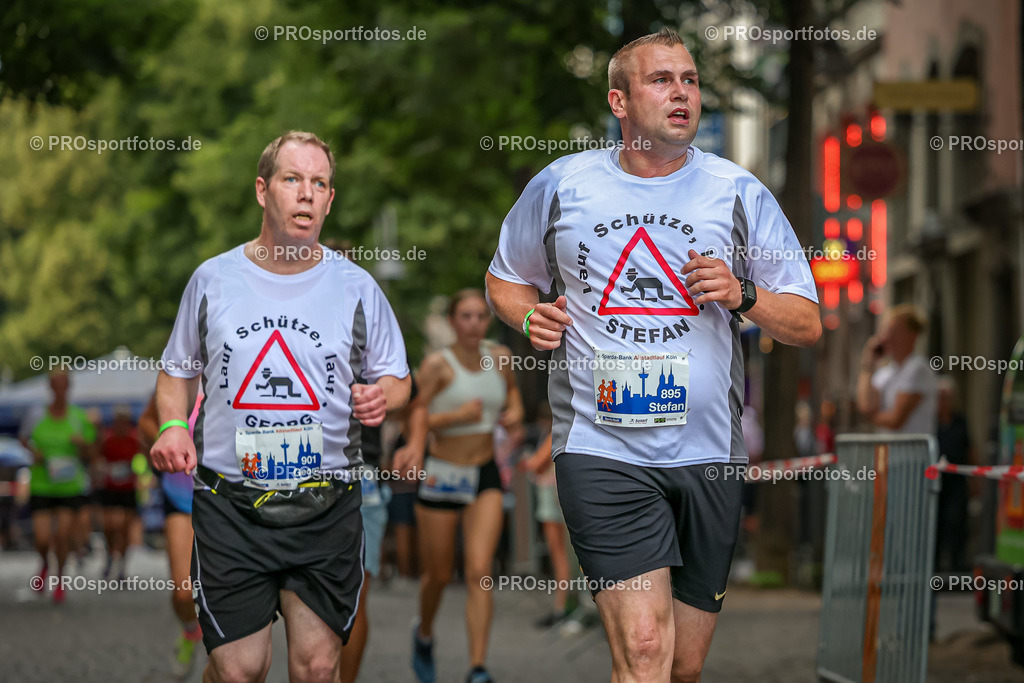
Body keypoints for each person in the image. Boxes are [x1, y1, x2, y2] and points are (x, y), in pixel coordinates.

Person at [485, 28, 821, 682]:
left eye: (690, 80)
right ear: (619, 100)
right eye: (662, 80)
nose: (682, 93)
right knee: (644, 649)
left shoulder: (737, 192)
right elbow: (503, 277)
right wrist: (528, 313)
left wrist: (742, 292)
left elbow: (807, 321)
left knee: (683, 666)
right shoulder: (562, 186)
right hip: (602, 449)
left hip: (709, 454)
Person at [149, 131, 411, 683]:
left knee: (317, 666)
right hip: (230, 504)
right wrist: (174, 426)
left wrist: (379, 394)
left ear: (331, 199)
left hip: (326, 503)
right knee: (241, 668)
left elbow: (397, 378)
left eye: (320, 183)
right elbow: (177, 372)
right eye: (293, 179)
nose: (307, 194)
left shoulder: (357, 288)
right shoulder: (213, 281)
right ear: (263, 190)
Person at [404, 289, 523, 683]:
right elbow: (414, 417)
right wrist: (455, 415)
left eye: (480, 316)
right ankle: (424, 633)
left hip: (484, 473)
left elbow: (513, 399)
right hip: (442, 472)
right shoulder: (438, 364)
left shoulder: (501, 358)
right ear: (454, 321)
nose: (474, 323)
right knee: (437, 575)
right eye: (466, 316)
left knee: (478, 570)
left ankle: (477, 667)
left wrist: (513, 415)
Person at [140, 392, 205, 677]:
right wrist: (169, 441)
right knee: (183, 593)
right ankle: (191, 632)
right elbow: (145, 421)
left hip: (232, 498)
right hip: (181, 496)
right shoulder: (178, 374)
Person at [19, 371, 98, 604]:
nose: (60, 389)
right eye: (56, 385)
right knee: (43, 538)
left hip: (69, 486)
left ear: (69, 387)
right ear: (50, 388)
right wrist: (34, 452)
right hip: (42, 484)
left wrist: (83, 445)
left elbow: (92, 452)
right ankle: (44, 563)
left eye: (64, 385)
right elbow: (24, 438)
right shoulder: (36, 413)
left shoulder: (79, 417)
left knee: (63, 535)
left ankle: (61, 578)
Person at [518, 425, 573, 628]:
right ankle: (565, 605)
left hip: (554, 495)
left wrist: (529, 462)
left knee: (561, 553)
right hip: (557, 493)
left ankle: (564, 606)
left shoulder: (559, 427)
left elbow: (535, 463)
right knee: (563, 553)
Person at [857, 304, 937, 434]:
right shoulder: (885, 373)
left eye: (894, 331)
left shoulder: (918, 368)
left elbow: (895, 420)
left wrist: (871, 418)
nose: (888, 337)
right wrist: (868, 364)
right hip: (888, 452)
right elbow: (866, 406)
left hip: (913, 453)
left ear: (912, 335)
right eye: (887, 331)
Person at [98, 406, 140, 582]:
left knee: (124, 528)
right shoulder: (107, 437)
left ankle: (122, 565)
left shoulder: (135, 438)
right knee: (109, 526)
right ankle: (109, 555)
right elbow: (97, 456)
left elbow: (143, 456)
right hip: (110, 487)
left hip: (128, 488)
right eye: (118, 421)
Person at [935, 377, 971, 572]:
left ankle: (957, 565)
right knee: (937, 522)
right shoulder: (931, 423)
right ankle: (935, 566)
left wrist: (975, 481)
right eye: (940, 397)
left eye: (947, 397)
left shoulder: (960, 421)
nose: (943, 401)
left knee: (956, 521)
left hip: (956, 482)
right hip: (936, 482)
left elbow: (969, 448)